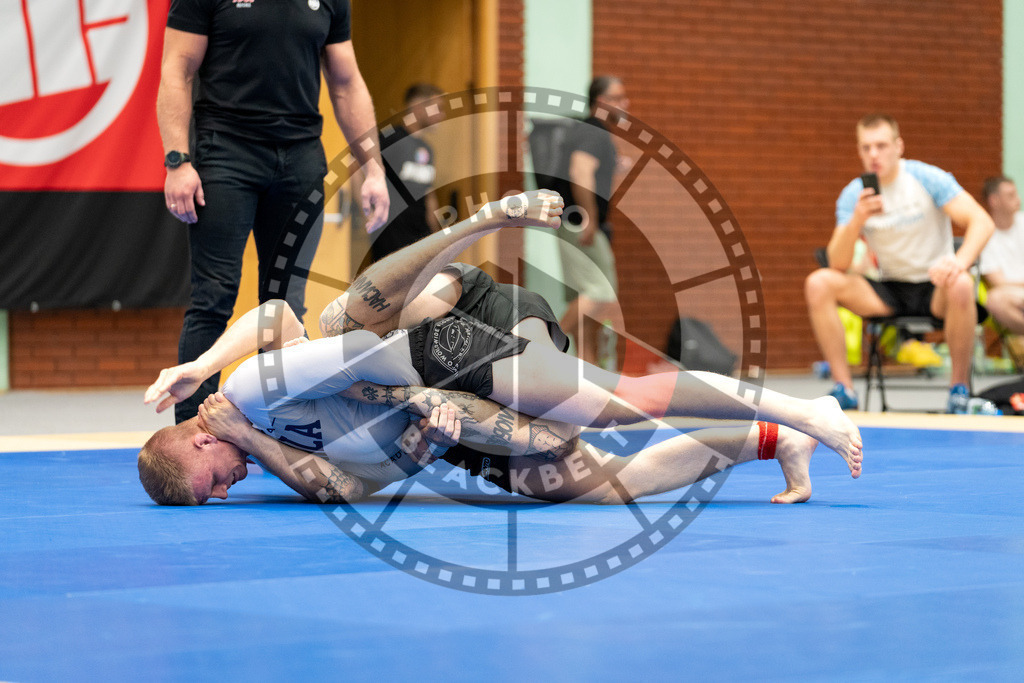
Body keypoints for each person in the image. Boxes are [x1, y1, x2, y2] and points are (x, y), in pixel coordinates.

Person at [141, 190, 863, 506]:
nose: (230, 489)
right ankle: (773, 440)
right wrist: (429, 433)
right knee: (601, 489)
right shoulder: (260, 441)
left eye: (214, 484)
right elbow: (348, 488)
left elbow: (316, 332)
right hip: (443, 403)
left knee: (620, 403)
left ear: (200, 444)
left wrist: (201, 366)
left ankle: (807, 410)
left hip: (445, 346)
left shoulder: (245, 397)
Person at [157, 0, 389, 425]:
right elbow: (177, 69)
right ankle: (194, 431)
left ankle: (279, 425)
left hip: (301, 157)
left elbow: (346, 83)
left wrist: (373, 168)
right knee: (213, 298)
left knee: (286, 305)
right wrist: (177, 160)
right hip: (226, 151)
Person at [804, 114, 995, 413]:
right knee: (818, 283)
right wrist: (857, 220)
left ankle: (959, 391)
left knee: (962, 283)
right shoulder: (855, 194)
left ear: (898, 146)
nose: (874, 154)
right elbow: (837, 264)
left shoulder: (926, 178)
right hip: (888, 289)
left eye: (881, 146)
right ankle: (845, 390)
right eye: (866, 147)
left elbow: (982, 221)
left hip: (935, 285)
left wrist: (958, 262)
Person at [554, 76, 628, 367]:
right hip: (581, 223)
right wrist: (591, 218)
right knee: (601, 291)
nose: (625, 104)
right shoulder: (594, 131)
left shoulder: (590, 132)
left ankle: (587, 375)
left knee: (585, 299)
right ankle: (545, 347)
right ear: (602, 101)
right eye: (618, 97)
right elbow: (580, 171)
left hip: (571, 222)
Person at [364, 83, 445, 265]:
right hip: (391, 237)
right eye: (438, 108)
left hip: (420, 235)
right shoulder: (390, 138)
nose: (442, 115)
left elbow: (428, 193)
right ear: (418, 106)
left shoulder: (427, 149)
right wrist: (367, 214)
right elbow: (355, 166)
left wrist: (437, 236)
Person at [979, 177, 1024, 333]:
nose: (1018, 199)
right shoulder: (984, 234)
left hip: (1014, 292)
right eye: (1010, 195)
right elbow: (998, 282)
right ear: (994, 200)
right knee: (995, 300)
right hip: (1010, 296)